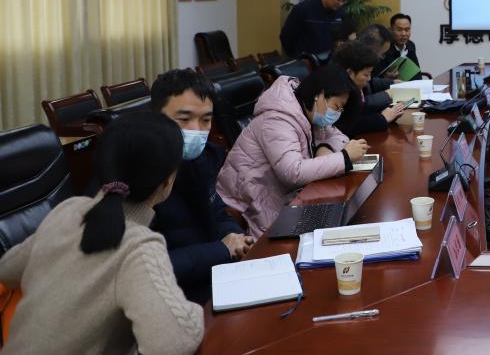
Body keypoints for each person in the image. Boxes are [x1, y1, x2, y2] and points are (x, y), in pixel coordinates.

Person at [0, 114, 204, 354]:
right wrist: (193, 311)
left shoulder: (68, 209)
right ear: (168, 181)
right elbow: (174, 342)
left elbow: (7, 269)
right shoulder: (139, 247)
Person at [216, 65, 369, 237]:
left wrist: (325, 147)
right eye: (336, 106)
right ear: (319, 95)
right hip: (255, 207)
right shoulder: (277, 119)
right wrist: (344, 158)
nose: (337, 114)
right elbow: (292, 172)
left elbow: (338, 136)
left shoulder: (308, 111)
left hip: (286, 197)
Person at [149, 69, 254, 304]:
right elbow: (147, 267)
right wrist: (222, 250)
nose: (196, 130)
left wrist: (236, 238)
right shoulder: (139, 176)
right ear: (156, 119)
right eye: (184, 119)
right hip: (174, 298)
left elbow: (217, 212)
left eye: (206, 120)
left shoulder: (201, 160)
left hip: (215, 278)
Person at [333, 40, 406, 135]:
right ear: (350, 72)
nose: (369, 78)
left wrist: (391, 113)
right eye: (366, 75)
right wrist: (382, 118)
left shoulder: (350, 85)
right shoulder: (336, 92)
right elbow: (346, 124)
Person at [279, 0, 349, 58]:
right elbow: (286, 37)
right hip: (304, 62)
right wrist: (297, 58)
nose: (341, 3)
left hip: (329, 61)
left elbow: (340, 37)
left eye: (344, 0)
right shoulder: (303, 9)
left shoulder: (340, 13)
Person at [375, 12, 430, 80]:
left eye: (407, 30)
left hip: (407, 84)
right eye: (399, 30)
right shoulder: (384, 47)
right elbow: (375, 76)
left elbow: (417, 72)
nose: (404, 34)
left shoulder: (410, 45)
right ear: (391, 30)